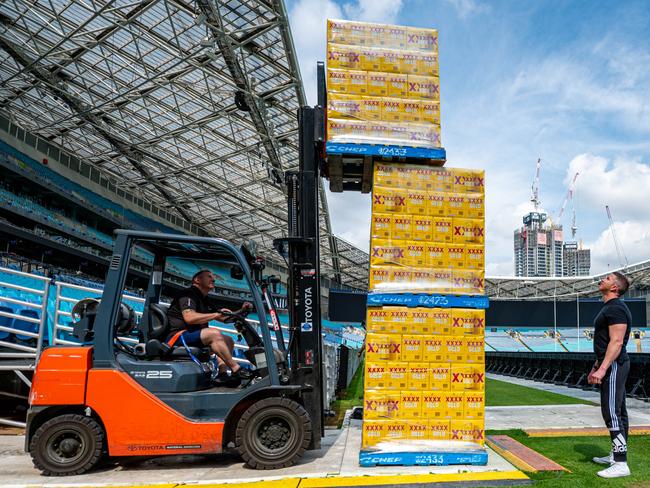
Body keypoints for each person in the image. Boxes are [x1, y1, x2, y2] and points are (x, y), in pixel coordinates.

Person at [166, 269, 253, 380]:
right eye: (209, 277)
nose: (213, 279)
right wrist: (216, 314)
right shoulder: (188, 294)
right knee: (214, 333)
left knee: (228, 340)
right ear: (197, 280)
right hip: (178, 336)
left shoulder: (204, 299)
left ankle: (222, 374)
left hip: (193, 335)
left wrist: (242, 311)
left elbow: (222, 317)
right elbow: (189, 317)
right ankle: (236, 369)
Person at [588, 272, 632, 478]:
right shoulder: (610, 307)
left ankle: (621, 464)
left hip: (615, 365)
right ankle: (617, 455)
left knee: (612, 412)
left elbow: (616, 342)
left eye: (607, 278)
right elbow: (606, 342)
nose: (601, 280)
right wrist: (596, 366)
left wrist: (604, 368)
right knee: (618, 411)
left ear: (615, 287)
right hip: (611, 364)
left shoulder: (616, 308)